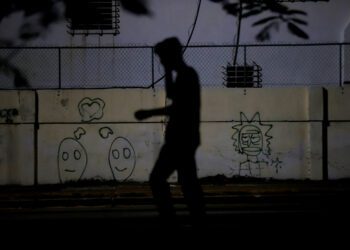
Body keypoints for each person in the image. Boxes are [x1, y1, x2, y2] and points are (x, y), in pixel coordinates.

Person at [134, 37, 205, 227]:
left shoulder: (188, 75)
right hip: (184, 139)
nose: (161, 61)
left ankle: (172, 220)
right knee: (188, 182)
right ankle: (196, 219)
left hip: (180, 139)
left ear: (171, 56)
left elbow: (178, 107)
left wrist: (149, 113)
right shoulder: (184, 75)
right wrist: (166, 70)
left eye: (163, 58)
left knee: (158, 179)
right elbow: (173, 95)